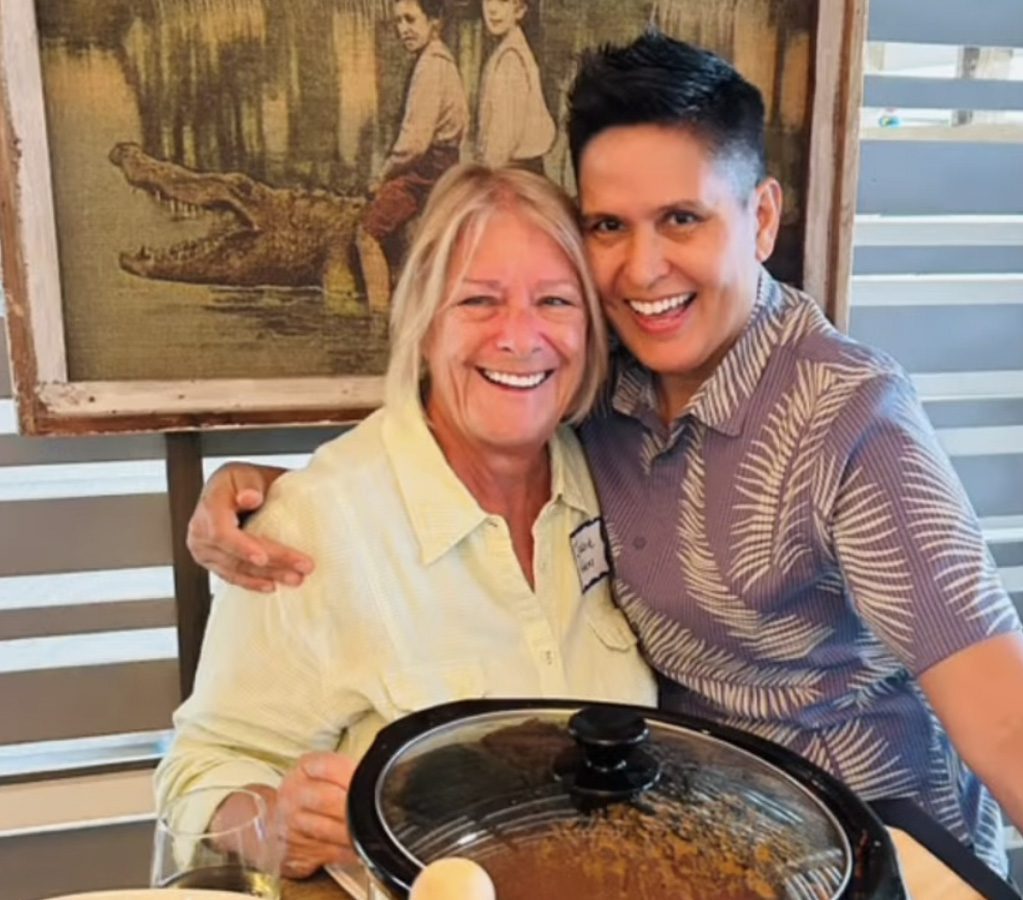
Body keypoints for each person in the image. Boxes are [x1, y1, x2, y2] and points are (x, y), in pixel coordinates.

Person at [188, 33, 1023, 898]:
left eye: (682, 220)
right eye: (609, 228)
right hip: (692, 858)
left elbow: (1013, 719)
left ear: (761, 219)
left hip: (874, 853)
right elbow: (468, 421)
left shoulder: (850, 421)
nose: (643, 270)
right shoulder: (603, 392)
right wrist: (280, 495)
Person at [158, 163, 657, 880]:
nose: (520, 337)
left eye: (554, 300)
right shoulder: (318, 523)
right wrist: (279, 826)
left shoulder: (611, 471)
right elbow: (200, 767)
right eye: (479, 301)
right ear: (423, 322)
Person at [357, 0, 468, 310]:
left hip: (425, 171)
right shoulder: (442, 60)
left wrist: (382, 176)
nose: (403, 29)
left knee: (367, 233)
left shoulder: (430, 66)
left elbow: (414, 143)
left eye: (410, 20)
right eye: (398, 22)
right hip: (444, 165)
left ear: (434, 22)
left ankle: (378, 315)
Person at [475, 0, 555, 171]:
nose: (492, 9)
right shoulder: (507, 49)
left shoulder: (511, 58)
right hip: (514, 168)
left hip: (515, 171)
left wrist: (486, 176)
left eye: (503, 1)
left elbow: (503, 141)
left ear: (520, 10)